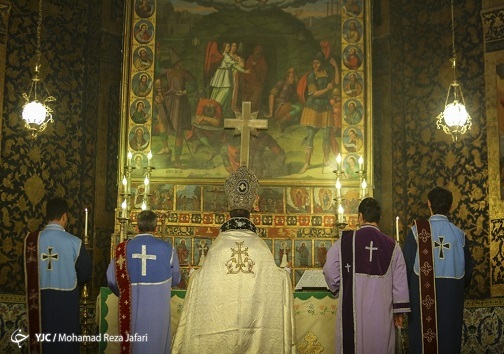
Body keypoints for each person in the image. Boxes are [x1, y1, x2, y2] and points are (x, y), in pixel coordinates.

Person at [172, 165, 295, 353]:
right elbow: (278, 281)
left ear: (229, 213)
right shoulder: (260, 248)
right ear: (251, 212)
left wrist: (194, 274)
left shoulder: (218, 248)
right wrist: (284, 274)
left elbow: (199, 281)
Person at [323, 197, 410, 354]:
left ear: (360, 216)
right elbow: (400, 283)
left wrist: (337, 289)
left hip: (353, 312)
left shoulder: (345, 242)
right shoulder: (393, 246)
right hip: (382, 316)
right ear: (379, 218)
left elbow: (329, 269)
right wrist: (398, 311)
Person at [402, 186, 473, 354]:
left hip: (421, 297)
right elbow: (468, 275)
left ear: (429, 204)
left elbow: (404, 271)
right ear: (450, 206)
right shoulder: (460, 235)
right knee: (449, 341)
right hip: (452, 297)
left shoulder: (416, 232)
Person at [107, 210, 181, 354]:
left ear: (136, 227)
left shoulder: (123, 249)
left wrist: (124, 293)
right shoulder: (168, 249)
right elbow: (176, 279)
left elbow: (111, 279)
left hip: (132, 310)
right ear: (156, 228)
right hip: (159, 313)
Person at [24, 197, 92, 354]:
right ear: (64, 216)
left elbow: (27, 272)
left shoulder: (31, 242)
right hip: (66, 302)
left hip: (39, 300)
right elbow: (85, 273)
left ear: (47, 216)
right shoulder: (76, 242)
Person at [298, 52, 339, 173]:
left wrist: (336, 67)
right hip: (313, 107)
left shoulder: (326, 73)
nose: (315, 65)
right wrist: (327, 89)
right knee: (310, 135)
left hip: (325, 107)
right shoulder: (311, 75)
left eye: (317, 63)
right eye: (314, 63)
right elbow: (314, 93)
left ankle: (326, 160)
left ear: (321, 63)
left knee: (326, 136)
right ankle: (307, 163)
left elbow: (336, 82)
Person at [265, 67, 302, 132]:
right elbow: (271, 95)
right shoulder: (281, 83)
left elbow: (297, 82)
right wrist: (271, 113)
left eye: (293, 77)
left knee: (297, 118)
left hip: (286, 106)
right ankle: (281, 121)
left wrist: (294, 73)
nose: (293, 79)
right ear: (287, 78)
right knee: (298, 108)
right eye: (291, 77)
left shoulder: (292, 86)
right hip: (279, 107)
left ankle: (282, 122)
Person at [241, 44, 268, 112]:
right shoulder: (250, 59)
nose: (257, 52)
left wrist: (256, 66)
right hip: (249, 82)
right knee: (246, 99)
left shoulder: (262, 61)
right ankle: (245, 113)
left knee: (254, 101)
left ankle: (253, 114)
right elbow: (246, 71)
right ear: (254, 51)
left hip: (257, 84)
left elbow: (263, 72)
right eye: (256, 50)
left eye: (259, 51)